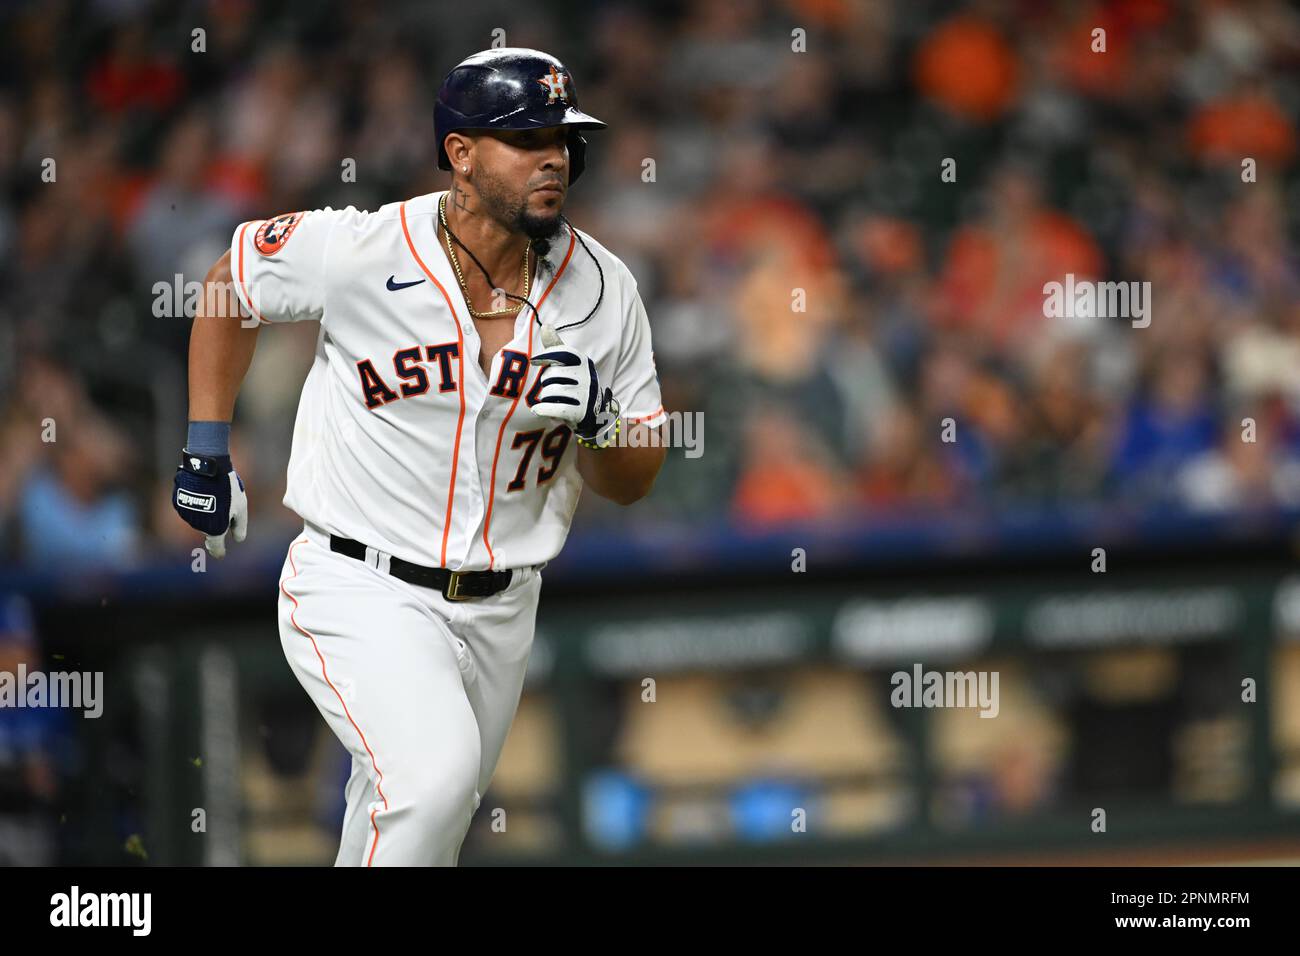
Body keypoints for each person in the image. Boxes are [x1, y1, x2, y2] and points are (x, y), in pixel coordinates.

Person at [170, 48, 667, 866]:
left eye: (564, 140)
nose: (554, 158)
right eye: (527, 138)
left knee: (421, 824)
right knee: (430, 783)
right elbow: (230, 287)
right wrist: (204, 451)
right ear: (461, 154)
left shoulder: (606, 291)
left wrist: (600, 423)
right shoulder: (365, 247)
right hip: (358, 580)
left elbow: (637, 476)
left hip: (503, 610)